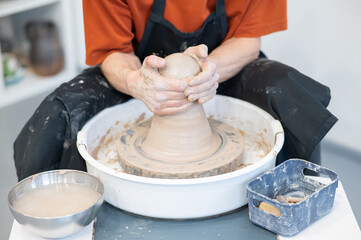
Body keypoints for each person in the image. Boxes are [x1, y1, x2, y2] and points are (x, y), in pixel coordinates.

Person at [13, 0, 337, 181]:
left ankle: (295, 197)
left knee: (285, 91)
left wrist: (208, 72)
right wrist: (137, 83)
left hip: (219, 67)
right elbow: (113, 51)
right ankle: (71, 215)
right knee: (60, 113)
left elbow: (249, 40)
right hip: (140, 73)